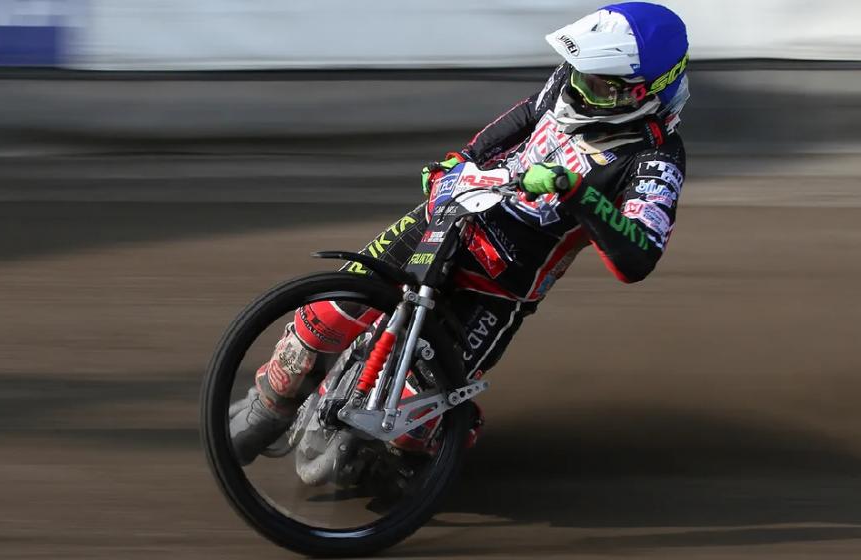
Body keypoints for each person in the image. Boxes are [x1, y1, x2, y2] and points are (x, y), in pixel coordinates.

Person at [230, 2, 690, 465]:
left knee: (399, 436)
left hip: (502, 284)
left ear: (644, 93)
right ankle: (267, 405)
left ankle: (449, 430)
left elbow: (639, 256)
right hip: (452, 217)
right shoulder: (571, 84)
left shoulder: (657, 159)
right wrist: (464, 158)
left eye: (598, 85)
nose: (578, 90)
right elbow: (528, 113)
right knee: (321, 321)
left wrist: (576, 190)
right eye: (578, 73)